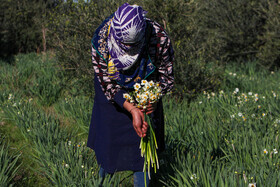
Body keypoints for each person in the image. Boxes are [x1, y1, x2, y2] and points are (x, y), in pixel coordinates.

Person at [87, 3, 174, 187]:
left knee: (143, 150)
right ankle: (101, 182)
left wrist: (153, 99)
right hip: (112, 99)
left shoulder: (158, 38)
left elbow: (167, 77)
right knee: (108, 147)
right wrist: (132, 109)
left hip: (146, 95)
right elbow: (106, 82)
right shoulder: (101, 40)